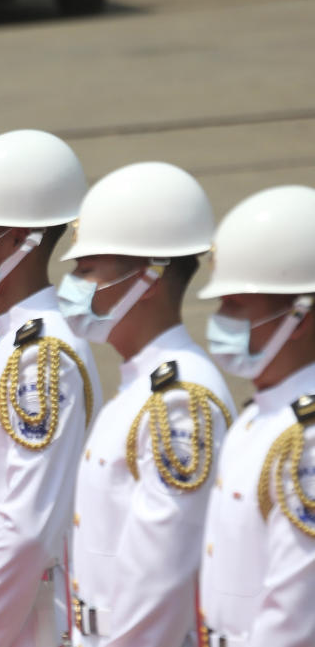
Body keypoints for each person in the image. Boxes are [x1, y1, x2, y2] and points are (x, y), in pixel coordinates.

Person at [59, 162, 234, 647]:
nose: (73, 282)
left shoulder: (179, 402)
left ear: (148, 278)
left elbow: (157, 580)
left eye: (87, 268)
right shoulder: (142, 388)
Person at [0, 130, 102, 647]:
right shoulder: (15, 337)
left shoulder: (41, 356)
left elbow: (28, 524)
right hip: (1, 605)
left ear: (20, 239)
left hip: (26, 621)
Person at [198, 185, 315, 646]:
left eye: (236, 306)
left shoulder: (305, 438)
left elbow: (295, 613)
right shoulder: (256, 420)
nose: (220, 318)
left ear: (300, 318)